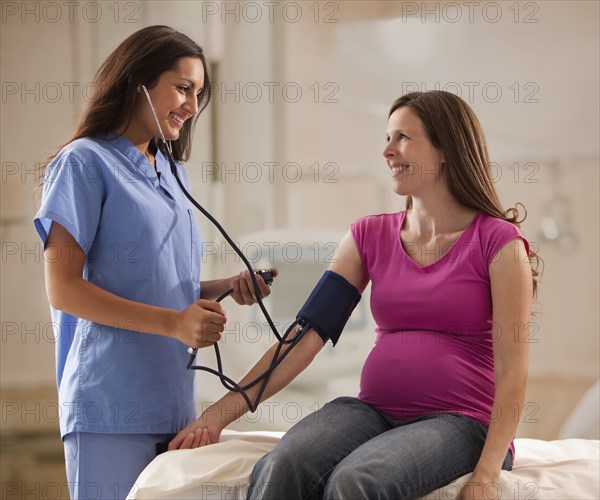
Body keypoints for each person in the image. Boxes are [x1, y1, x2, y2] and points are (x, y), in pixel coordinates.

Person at [168, 90, 541, 500]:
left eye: (402, 137)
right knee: (280, 467)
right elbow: (302, 338)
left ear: (445, 149)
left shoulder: (499, 244)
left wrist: (486, 474)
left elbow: (512, 374)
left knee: (357, 481)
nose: (387, 151)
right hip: (372, 411)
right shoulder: (368, 235)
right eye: (386, 138)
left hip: (462, 421)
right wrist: (217, 416)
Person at [34, 25, 274, 500]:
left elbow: (160, 282)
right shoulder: (83, 163)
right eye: (183, 87)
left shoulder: (171, 173)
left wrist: (224, 285)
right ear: (136, 81)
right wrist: (174, 323)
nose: (191, 104)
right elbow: (63, 288)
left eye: (199, 93)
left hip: (172, 405)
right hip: (109, 404)